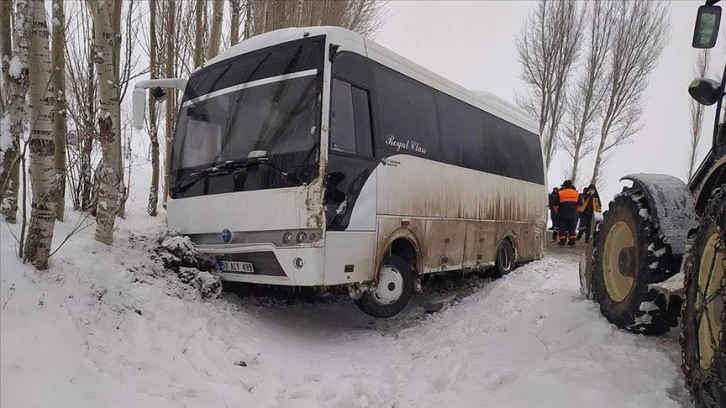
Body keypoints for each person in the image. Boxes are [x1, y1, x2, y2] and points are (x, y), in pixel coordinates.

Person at [554, 179, 581, 247]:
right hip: (572, 214)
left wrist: (558, 212)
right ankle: (572, 242)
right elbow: (580, 205)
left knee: (562, 228)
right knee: (572, 228)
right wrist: (575, 211)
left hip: (562, 214)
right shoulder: (576, 193)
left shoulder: (560, 193)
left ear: (564, 186)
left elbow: (555, 204)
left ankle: (562, 242)